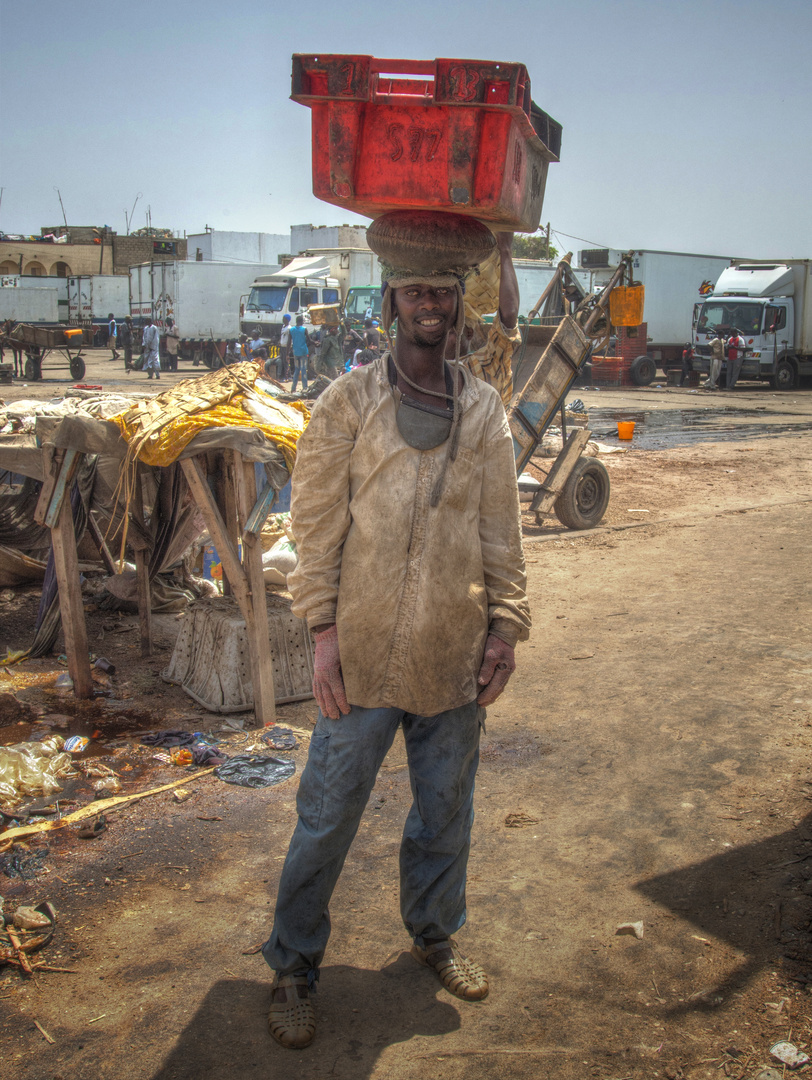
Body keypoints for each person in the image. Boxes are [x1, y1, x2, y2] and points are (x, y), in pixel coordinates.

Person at [262, 255, 531, 1050]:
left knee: (445, 809)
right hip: (364, 654)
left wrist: (507, 627)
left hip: (452, 651)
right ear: (392, 302)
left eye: (441, 293)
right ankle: (293, 965)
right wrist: (321, 634)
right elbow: (314, 529)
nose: (429, 305)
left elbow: (499, 534)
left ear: (457, 305)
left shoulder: (482, 411)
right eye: (415, 291)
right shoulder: (347, 402)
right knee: (326, 813)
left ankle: (436, 935)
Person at [450, 232, 520, 408]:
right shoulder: (425, 370)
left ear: (468, 333)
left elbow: (509, 315)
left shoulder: (484, 364)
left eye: (451, 330)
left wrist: (505, 250)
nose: (440, 335)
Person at [288, 315, 311, 393]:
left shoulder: (291, 330)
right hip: (303, 352)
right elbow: (309, 340)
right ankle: (305, 388)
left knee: (296, 370)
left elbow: (288, 342)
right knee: (303, 370)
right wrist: (315, 343)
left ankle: (293, 388)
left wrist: (287, 353)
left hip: (296, 352)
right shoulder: (304, 329)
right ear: (302, 321)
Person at [142, 315, 161, 380]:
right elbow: (144, 337)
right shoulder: (146, 328)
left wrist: (152, 346)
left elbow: (156, 338)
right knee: (148, 361)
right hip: (147, 348)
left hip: (153, 348)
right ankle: (150, 375)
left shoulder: (154, 328)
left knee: (155, 361)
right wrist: (144, 345)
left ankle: (157, 375)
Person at [278, 314, 292, 380]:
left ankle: (288, 376)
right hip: (282, 346)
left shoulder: (289, 328)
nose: (282, 319)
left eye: (284, 318)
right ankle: (285, 375)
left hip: (286, 347)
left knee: (286, 361)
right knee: (283, 361)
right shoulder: (283, 327)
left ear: (287, 319)